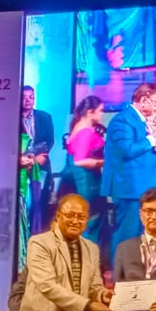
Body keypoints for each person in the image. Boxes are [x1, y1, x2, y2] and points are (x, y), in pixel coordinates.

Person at [101, 83, 156, 259]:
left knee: (139, 235)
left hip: (145, 188)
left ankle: (133, 271)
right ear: (143, 100)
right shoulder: (123, 120)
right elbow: (127, 150)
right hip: (130, 189)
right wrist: (152, 139)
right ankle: (119, 271)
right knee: (126, 234)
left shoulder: (143, 120)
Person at [18, 85, 56, 269]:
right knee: (25, 207)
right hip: (20, 170)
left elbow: (49, 142)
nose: (28, 100)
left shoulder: (44, 117)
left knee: (39, 207)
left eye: (31, 97)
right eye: (25, 97)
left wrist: (37, 159)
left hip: (41, 167)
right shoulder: (12, 117)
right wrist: (25, 159)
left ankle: (38, 251)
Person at [66, 95, 108, 246]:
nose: (102, 114)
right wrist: (104, 162)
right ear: (90, 112)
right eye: (100, 110)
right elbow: (79, 161)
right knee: (91, 219)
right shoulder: (85, 132)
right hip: (87, 180)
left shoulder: (78, 126)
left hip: (84, 179)